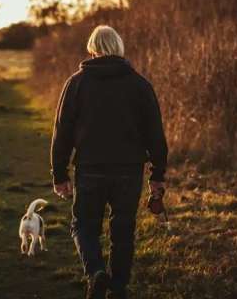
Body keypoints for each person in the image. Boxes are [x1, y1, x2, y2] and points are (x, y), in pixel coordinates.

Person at [50, 25, 168, 299]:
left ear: (92, 49)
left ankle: (95, 273)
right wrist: (158, 174)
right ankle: (118, 288)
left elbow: (62, 132)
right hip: (128, 172)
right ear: (118, 47)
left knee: (83, 225)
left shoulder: (76, 83)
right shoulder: (140, 85)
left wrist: (59, 175)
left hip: (89, 170)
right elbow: (155, 133)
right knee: (123, 228)